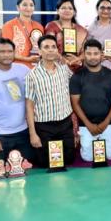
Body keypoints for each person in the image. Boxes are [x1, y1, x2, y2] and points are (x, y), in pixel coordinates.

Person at [25, 35, 76, 168]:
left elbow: (76, 85)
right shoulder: (32, 75)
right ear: (39, 51)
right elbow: (29, 105)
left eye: (53, 47)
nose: (50, 50)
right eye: (46, 47)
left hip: (65, 123)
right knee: (45, 163)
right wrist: (32, 134)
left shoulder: (64, 69)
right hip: (44, 126)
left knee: (69, 159)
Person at [70, 39, 111, 162]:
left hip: (108, 123)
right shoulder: (77, 76)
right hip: (86, 124)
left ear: (101, 54)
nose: (92, 57)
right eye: (89, 54)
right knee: (87, 158)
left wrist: (106, 122)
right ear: (84, 54)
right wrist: (88, 125)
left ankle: (106, 138)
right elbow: (75, 104)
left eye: (96, 53)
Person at [44, 0, 88, 71]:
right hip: (56, 69)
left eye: (70, 8)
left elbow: (86, 50)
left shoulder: (82, 30)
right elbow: (49, 47)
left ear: (74, 12)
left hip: (77, 68)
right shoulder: (51, 26)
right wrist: (63, 60)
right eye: (63, 8)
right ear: (57, 11)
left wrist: (78, 59)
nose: (67, 10)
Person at [1, 0, 44, 68]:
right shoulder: (8, 25)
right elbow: (6, 51)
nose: (28, 8)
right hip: (16, 67)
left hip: (36, 68)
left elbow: (42, 47)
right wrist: (27, 59)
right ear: (18, 7)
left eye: (31, 5)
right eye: (25, 5)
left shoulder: (39, 26)